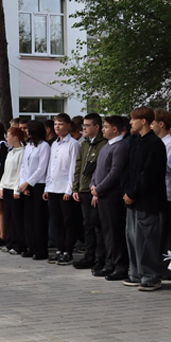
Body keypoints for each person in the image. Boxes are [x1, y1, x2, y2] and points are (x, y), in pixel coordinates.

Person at [122, 107, 167, 292]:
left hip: (147, 200)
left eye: (133, 119)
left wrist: (133, 193)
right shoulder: (135, 143)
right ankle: (135, 273)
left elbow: (149, 175)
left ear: (144, 121)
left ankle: (150, 276)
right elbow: (128, 171)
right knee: (132, 236)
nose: (130, 123)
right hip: (132, 199)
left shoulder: (155, 144)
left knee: (146, 238)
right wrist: (126, 191)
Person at [91, 116, 130, 281]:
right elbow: (97, 169)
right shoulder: (107, 146)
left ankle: (120, 266)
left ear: (115, 129)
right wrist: (93, 185)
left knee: (115, 232)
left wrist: (99, 188)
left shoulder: (120, 147)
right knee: (106, 232)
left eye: (106, 127)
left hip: (112, 196)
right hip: (101, 195)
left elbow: (115, 172)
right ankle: (109, 263)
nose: (103, 129)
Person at [72, 114, 106, 270]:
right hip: (83, 190)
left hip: (95, 191)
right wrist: (75, 187)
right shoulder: (84, 144)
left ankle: (100, 258)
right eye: (83, 126)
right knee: (87, 225)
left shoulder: (103, 144)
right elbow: (79, 167)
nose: (83, 128)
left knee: (97, 226)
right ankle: (89, 255)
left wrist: (97, 190)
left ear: (96, 127)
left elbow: (101, 170)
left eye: (87, 126)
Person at [45, 114, 80, 265]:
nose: (57, 127)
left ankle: (68, 250)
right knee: (57, 220)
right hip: (53, 187)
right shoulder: (55, 144)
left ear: (68, 125)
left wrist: (69, 189)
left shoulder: (73, 144)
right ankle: (59, 249)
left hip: (65, 188)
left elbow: (73, 168)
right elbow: (51, 167)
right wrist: (47, 186)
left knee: (68, 221)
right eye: (55, 124)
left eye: (60, 124)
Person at [18, 120, 50, 260]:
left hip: (38, 184)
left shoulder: (44, 146)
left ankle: (41, 249)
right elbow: (24, 166)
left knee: (39, 219)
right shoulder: (29, 146)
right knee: (28, 218)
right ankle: (31, 246)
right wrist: (23, 184)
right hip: (27, 185)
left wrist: (29, 182)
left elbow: (41, 168)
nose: (25, 131)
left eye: (27, 129)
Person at [153, 109, 171, 256]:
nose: (150, 126)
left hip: (168, 195)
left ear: (161, 124)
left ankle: (166, 265)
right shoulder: (160, 143)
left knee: (166, 232)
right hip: (160, 194)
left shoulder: (170, 144)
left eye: (153, 123)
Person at [0, 127, 25, 255]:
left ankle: (18, 244)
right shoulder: (11, 152)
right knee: (8, 217)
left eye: (8, 136)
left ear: (15, 137)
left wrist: (16, 189)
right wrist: (1, 186)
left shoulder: (22, 152)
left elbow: (20, 172)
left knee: (16, 218)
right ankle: (10, 242)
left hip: (14, 188)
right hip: (7, 187)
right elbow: (6, 171)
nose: (6, 139)